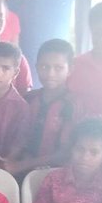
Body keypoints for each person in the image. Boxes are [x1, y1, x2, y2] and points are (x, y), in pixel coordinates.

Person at [7, 39, 78, 178]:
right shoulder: (28, 99)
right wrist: (11, 159)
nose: (50, 73)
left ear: (70, 69)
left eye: (58, 68)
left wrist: (23, 165)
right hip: (21, 171)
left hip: (56, 175)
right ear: (37, 67)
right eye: (45, 67)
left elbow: (65, 153)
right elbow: (20, 137)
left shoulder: (72, 105)